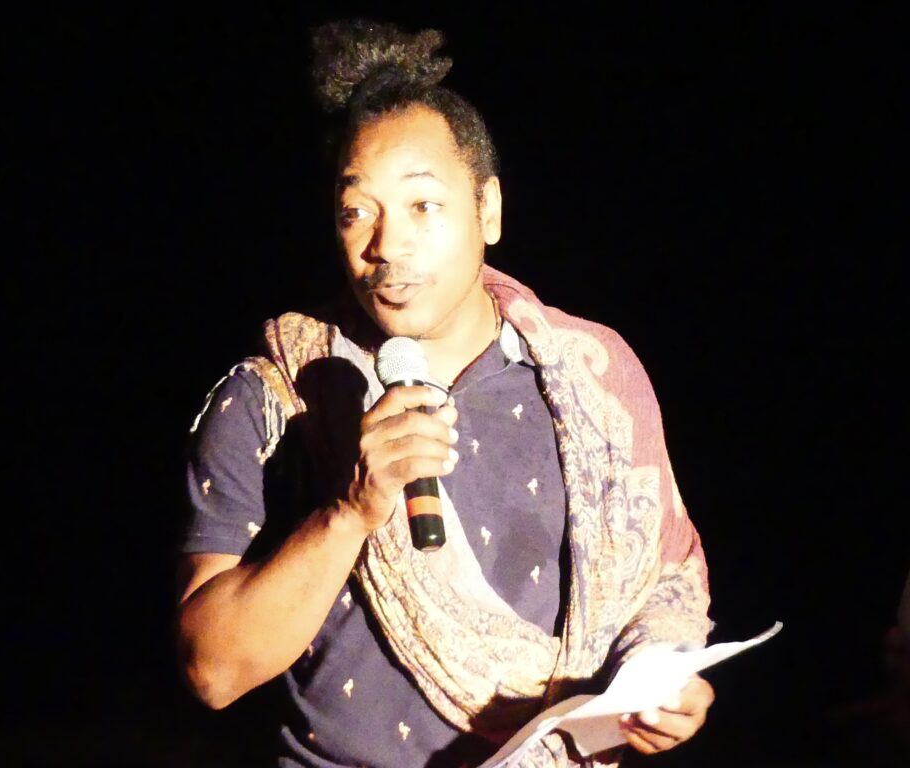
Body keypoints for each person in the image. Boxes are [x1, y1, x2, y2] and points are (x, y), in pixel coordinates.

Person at [177, 19, 714, 768]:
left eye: (423, 206)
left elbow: (662, 585)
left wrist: (666, 683)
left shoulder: (596, 378)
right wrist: (348, 513)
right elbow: (213, 670)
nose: (387, 246)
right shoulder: (275, 396)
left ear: (488, 209)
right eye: (356, 212)